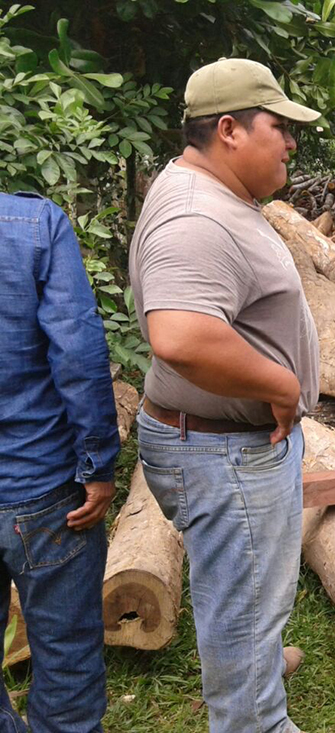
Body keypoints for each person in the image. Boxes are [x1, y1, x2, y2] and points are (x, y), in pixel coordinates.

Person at [129, 58, 321, 732]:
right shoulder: (195, 214)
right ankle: (254, 716)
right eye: (281, 127)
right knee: (242, 603)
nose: (291, 143)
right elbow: (179, 335)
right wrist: (281, 382)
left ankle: (254, 659)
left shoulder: (212, 194)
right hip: (224, 452)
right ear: (232, 130)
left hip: (221, 444)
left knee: (247, 594)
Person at [0, 192, 120, 730]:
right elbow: (78, 349)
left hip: (38, 483)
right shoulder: (32, 224)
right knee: (68, 659)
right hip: (42, 488)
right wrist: (97, 466)